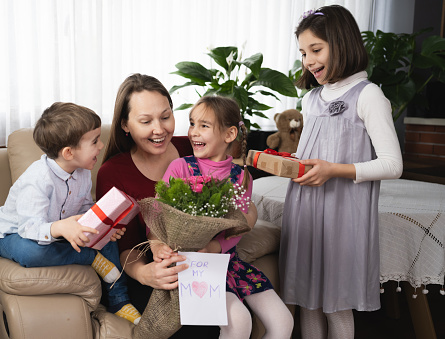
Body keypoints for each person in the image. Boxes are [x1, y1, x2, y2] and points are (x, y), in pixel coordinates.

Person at [98, 74, 260, 337]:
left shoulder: (195, 148)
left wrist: (245, 219)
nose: (159, 129)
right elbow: (121, 245)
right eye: (145, 121)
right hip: (153, 271)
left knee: (232, 319)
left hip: (200, 265)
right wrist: (144, 273)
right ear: (125, 125)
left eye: (165, 116)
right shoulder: (112, 173)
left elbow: (240, 193)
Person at [279, 5, 404, 339]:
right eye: (303, 52)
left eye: (316, 50)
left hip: (343, 216)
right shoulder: (311, 99)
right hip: (306, 212)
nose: (308, 61)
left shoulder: (369, 95)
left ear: (342, 43)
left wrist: (333, 169)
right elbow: (313, 153)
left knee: (336, 304)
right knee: (308, 301)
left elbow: (393, 165)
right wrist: (292, 162)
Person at [150, 95, 294, 339]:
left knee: (283, 321)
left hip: (228, 262)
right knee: (239, 320)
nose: (193, 132)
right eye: (192, 123)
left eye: (203, 126)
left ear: (229, 135)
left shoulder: (242, 178)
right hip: (193, 266)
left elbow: (238, 227)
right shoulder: (180, 167)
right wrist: (157, 244)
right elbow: (157, 214)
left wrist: (216, 246)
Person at [0, 102, 141, 324]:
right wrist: (61, 228)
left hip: (60, 235)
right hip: (16, 235)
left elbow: (82, 208)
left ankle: (119, 301)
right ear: (69, 152)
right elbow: (29, 227)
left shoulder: (82, 173)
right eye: (94, 141)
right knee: (31, 253)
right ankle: (91, 258)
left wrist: (105, 225)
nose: (101, 145)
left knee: (107, 238)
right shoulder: (38, 180)